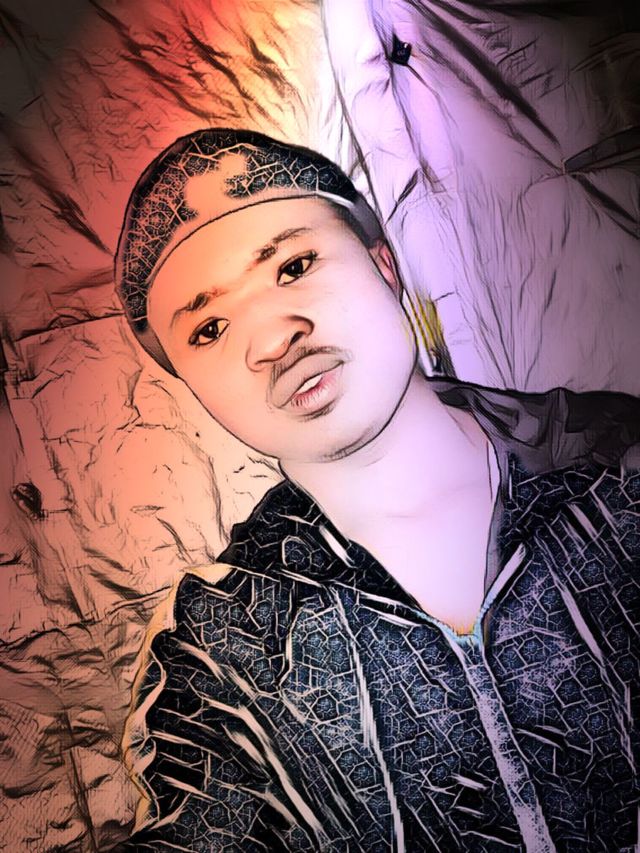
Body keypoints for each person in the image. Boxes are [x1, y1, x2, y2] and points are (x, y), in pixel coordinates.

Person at [113, 128, 640, 852]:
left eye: (294, 265)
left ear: (382, 264)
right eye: (208, 328)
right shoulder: (220, 647)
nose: (271, 339)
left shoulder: (617, 469)